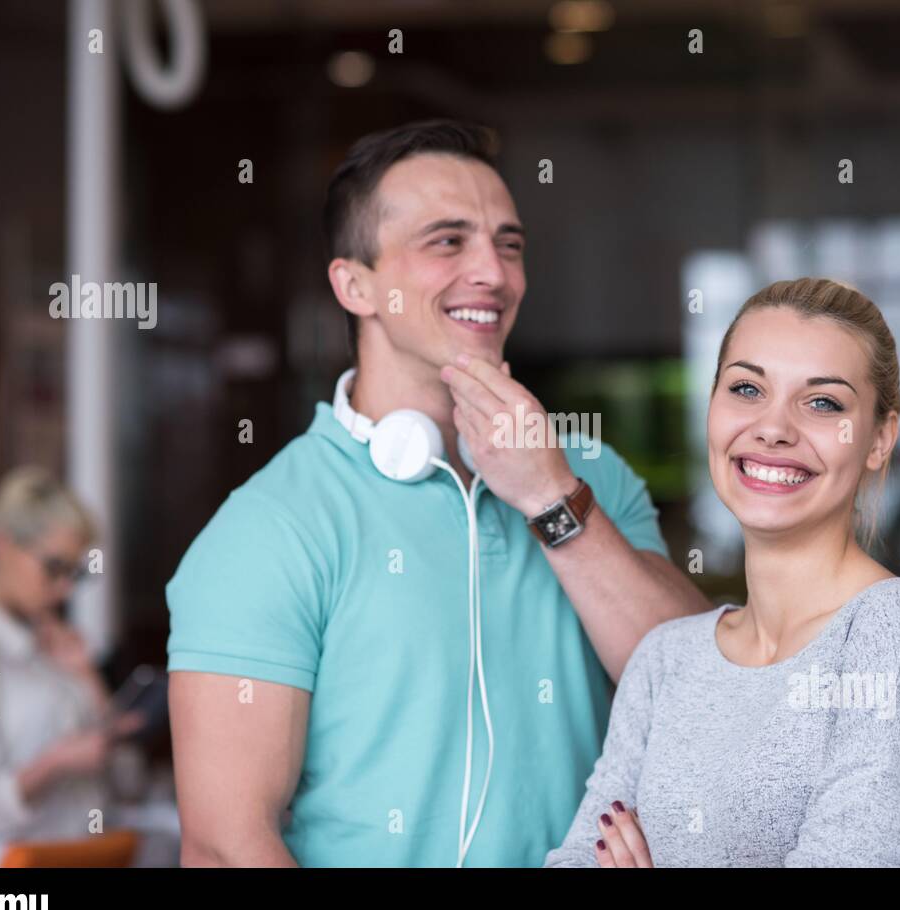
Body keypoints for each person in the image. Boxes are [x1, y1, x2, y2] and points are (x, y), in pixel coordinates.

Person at [166, 119, 711, 867]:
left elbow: (702, 698)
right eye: (448, 241)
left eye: (509, 243)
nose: (493, 272)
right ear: (355, 284)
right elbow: (227, 847)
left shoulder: (594, 477)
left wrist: (553, 495)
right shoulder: (270, 527)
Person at [545, 278, 900, 867]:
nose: (773, 427)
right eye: (747, 388)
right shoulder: (664, 661)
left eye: (823, 401)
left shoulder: (897, 629)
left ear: (880, 438)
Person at [0, 466, 141, 867]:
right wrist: (56, 763)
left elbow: (128, 782)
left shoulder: (59, 648)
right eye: (55, 568)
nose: (66, 589)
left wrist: (89, 679)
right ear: (4, 544)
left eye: (75, 573)